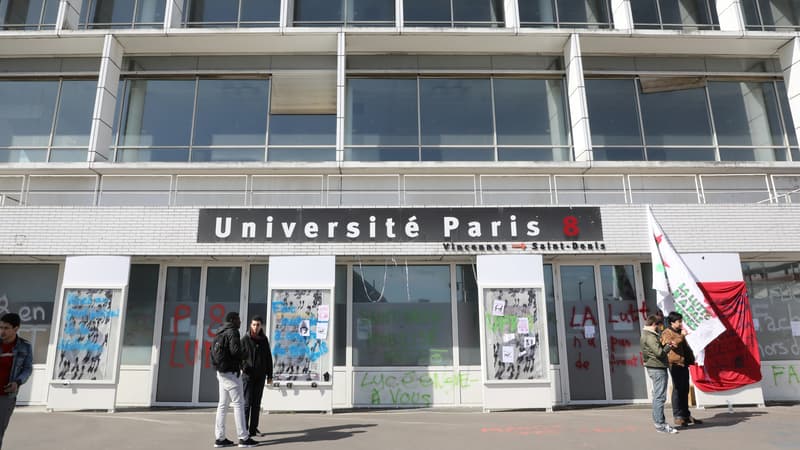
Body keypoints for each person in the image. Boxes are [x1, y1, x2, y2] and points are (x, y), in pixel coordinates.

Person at [212, 312, 258, 448]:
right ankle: (243, 438)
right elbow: (235, 351)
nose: (240, 321)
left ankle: (220, 438)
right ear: (232, 320)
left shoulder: (220, 330)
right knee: (239, 404)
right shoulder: (233, 332)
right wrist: (246, 354)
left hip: (221, 372)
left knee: (223, 405)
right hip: (231, 373)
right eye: (238, 319)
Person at [661, 311, 703, 428]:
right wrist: (682, 336)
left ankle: (686, 414)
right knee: (678, 389)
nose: (681, 324)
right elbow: (672, 344)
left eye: (681, 321)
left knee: (685, 389)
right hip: (674, 364)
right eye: (679, 321)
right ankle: (678, 416)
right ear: (672, 322)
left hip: (684, 363)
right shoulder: (667, 332)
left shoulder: (679, 332)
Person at [641, 313, 679, 434]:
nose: (660, 327)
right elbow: (659, 353)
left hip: (654, 367)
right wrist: (668, 347)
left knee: (657, 396)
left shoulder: (648, 335)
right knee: (659, 397)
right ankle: (660, 425)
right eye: (659, 325)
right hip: (657, 367)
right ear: (654, 324)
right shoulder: (650, 336)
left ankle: (659, 422)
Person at [0, 313, 33, 449]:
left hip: (6, 397)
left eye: (6, 328)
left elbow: (27, 369)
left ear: (16, 329)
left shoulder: (25, 347)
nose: (2, 331)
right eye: (1, 327)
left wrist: (17, 382)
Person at [241, 316, 273, 438]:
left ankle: (253, 429)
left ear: (261, 326)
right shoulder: (245, 339)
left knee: (256, 404)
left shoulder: (264, 340)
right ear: (250, 325)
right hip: (248, 376)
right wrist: (243, 367)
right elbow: (238, 356)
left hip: (260, 376)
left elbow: (268, 358)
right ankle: (244, 430)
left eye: (258, 325)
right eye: (254, 324)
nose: (255, 327)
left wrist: (270, 375)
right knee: (247, 403)